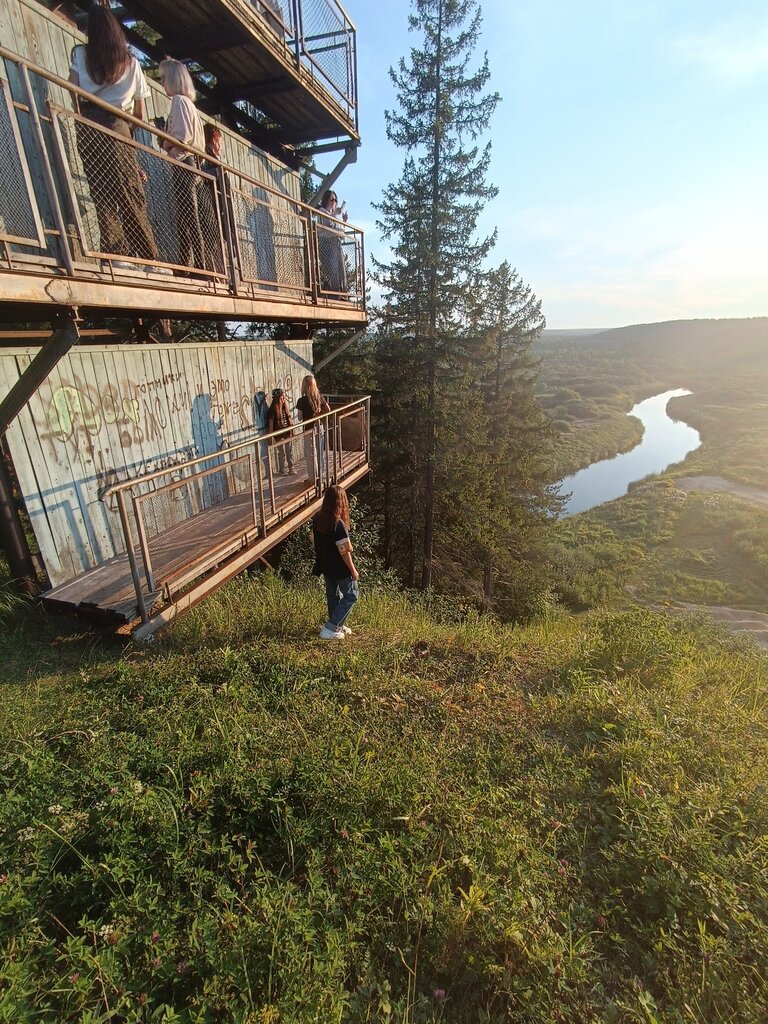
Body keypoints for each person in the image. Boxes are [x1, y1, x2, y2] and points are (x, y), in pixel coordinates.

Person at [69, 4, 159, 266]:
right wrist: (127, 132)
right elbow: (140, 113)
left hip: (87, 125)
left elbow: (73, 90)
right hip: (119, 127)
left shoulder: (80, 54)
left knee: (102, 192)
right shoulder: (130, 61)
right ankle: (148, 258)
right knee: (130, 193)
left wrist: (82, 120)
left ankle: (114, 255)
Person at [158, 59, 207, 274]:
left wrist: (164, 139)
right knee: (188, 215)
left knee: (187, 215)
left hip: (182, 162)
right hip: (192, 163)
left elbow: (181, 137)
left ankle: (196, 264)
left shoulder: (179, 101)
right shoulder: (191, 105)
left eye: (163, 78)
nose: (162, 82)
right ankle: (192, 263)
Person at [312, 484, 359, 640]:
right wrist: (353, 570)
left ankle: (336, 624)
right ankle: (330, 628)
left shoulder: (318, 518)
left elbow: (312, 538)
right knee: (351, 595)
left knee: (333, 596)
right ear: (341, 502)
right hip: (339, 568)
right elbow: (344, 551)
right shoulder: (338, 524)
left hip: (325, 565)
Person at [296, 374, 330, 482]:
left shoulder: (301, 401)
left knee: (310, 453)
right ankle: (322, 475)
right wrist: (318, 415)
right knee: (320, 452)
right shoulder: (319, 397)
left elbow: (300, 418)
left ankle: (312, 478)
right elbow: (328, 409)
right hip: (319, 426)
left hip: (308, 429)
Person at [316, 189, 348, 295]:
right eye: (331, 199)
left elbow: (340, 232)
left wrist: (344, 221)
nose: (334, 201)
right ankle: (334, 294)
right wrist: (336, 213)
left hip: (336, 244)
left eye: (335, 199)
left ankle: (341, 293)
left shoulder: (334, 215)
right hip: (327, 243)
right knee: (332, 270)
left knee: (340, 271)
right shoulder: (322, 211)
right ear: (326, 200)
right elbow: (328, 223)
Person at [265, 387, 295, 475]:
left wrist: (292, 430)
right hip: (278, 434)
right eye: (281, 397)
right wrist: (270, 436)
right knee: (281, 453)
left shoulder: (285, 407)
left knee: (289, 451)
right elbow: (270, 424)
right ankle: (282, 469)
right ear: (277, 398)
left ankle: (291, 468)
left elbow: (289, 419)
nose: (283, 399)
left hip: (287, 432)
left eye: (284, 397)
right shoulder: (273, 409)